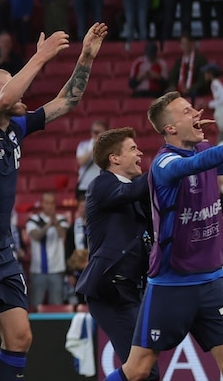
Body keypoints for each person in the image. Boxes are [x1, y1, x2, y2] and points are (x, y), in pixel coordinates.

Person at [0, 23, 107, 381]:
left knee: (20, 337)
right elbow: (5, 100)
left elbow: (68, 101)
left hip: (3, 250)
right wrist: (40, 57)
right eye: (12, 81)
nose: (24, 88)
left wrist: (86, 57)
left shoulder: (16, 127)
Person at [105, 93, 223, 381]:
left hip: (210, 280)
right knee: (138, 370)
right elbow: (198, 163)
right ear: (170, 128)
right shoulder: (164, 164)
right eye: (187, 111)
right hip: (171, 283)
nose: (198, 112)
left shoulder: (203, 151)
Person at [77, 127, 159, 381]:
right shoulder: (101, 184)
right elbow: (134, 191)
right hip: (110, 289)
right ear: (115, 158)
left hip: (134, 290)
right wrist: (167, 161)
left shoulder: (135, 192)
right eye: (133, 149)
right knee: (141, 371)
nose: (140, 153)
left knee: (145, 371)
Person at [26, 192, 70, 308]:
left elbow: (63, 234)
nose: (50, 206)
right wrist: (48, 225)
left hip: (56, 270)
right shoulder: (33, 220)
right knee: (36, 306)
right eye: (47, 203)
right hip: (38, 271)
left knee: (57, 307)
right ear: (42, 204)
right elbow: (36, 236)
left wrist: (55, 223)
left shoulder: (61, 219)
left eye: (52, 203)